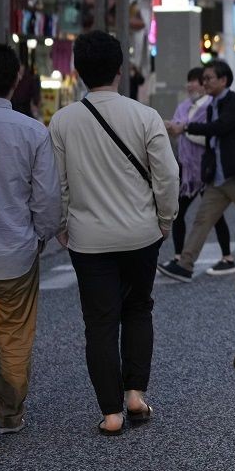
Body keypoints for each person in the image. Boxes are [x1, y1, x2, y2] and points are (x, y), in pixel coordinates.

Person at [49, 31, 179, 435]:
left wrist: (62, 225)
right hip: (141, 233)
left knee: (100, 323)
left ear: (79, 71)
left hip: (88, 240)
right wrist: (165, 218)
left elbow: (59, 184)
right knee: (139, 308)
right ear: (121, 70)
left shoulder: (63, 121)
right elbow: (168, 175)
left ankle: (110, 412)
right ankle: (136, 393)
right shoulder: (144, 116)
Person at [0, 44, 60, 450]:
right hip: (16, 254)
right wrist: (42, 234)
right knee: (14, 335)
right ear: (16, 80)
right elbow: (46, 200)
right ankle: (8, 413)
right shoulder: (32, 131)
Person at [158, 59, 235, 282]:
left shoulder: (234, 102)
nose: (205, 83)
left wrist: (184, 127)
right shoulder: (212, 104)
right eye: (203, 79)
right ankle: (185, 264)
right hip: (218, 177)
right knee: (202, 220)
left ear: (223, 80)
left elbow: (219, 128)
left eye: (209, 78)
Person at [168, 68, 234, 269]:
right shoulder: (184, 106)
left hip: (205, 169)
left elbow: (209, 132)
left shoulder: (209, 106)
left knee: (214, 215)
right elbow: (176, 128)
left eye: (194, 81)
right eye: (189, 81)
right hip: (187, 169)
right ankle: (179, 256)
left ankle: (227, 257)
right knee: (178, 213)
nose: (191, 85)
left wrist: (184, 129)